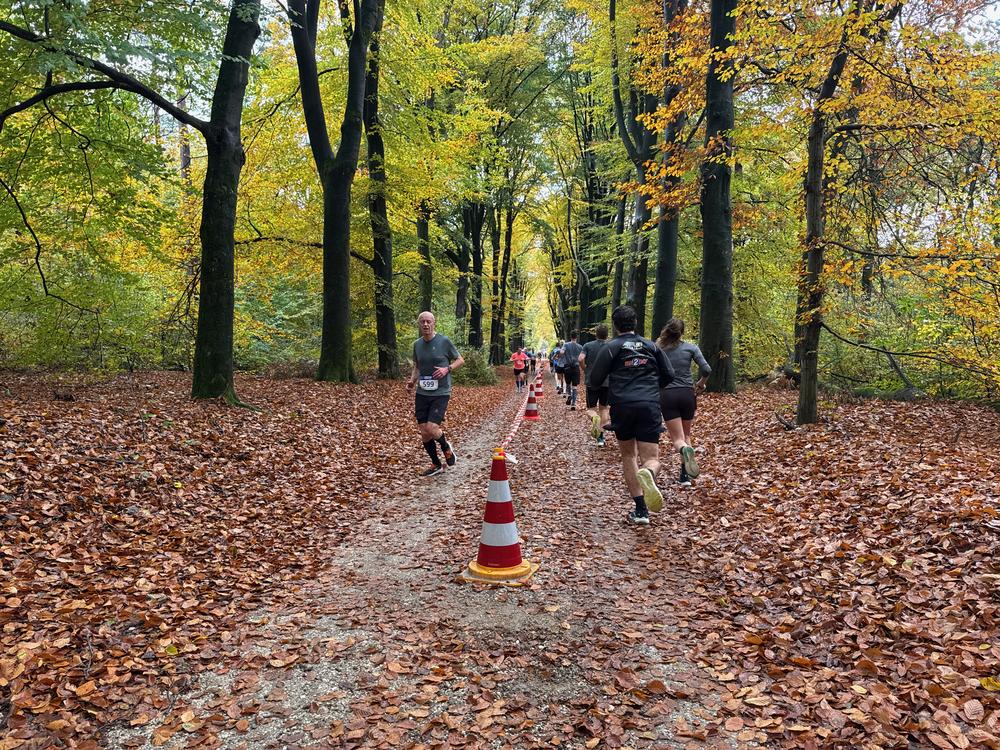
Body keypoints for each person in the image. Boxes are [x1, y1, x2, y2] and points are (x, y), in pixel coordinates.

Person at [587, 306, 675, 525]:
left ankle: (641, 510)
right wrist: (652, 387)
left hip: (623, 405)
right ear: (635, 323)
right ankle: (649, 473)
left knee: (628, 456)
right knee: (652, 459)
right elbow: (669, 375)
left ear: (615, 325)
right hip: (649, 405)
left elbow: (595, 380)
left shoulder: (611, 348)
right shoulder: (651, 346)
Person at [406, 311, 465, 477]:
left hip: (441, 391)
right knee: (424, 431)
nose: (425, 324)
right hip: (422, 392)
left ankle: (446, 447)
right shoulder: (417, 344)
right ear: (419, 324)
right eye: (422, 322)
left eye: (428, 322)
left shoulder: (444, 341)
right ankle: (436, 464)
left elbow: (460, 360)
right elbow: (417, 366)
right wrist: (412, 382)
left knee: (432, 428)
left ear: (434, 323)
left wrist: (447, 369)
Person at [656, 318, 710, 486]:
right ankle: (684, 476)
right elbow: (707, 369)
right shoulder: (691, 348)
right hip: (688, 394)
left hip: (667, 395)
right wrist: (700, 383)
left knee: (678, 439)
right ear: (682, 332)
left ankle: (684, 451)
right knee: (686, 435)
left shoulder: (658, 348)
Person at [580, 323, 611, 446]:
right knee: (604, 408)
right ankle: (601, 438)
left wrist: (585, 369)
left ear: (596, 334)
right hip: (607, 381)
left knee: (591, 409)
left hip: (592, 381)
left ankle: (594, 419)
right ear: (606, 334)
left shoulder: (588, 345)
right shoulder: (611, 346)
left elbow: (580, 358)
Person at [561, 332, 584, 409]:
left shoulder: (566, 345)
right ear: (576, 337)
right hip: (576, 368)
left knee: (567, 383)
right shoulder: (580, 347)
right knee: (575, 386)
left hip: (567, 367)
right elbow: (582, 358)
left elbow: (562, 352)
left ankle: (569, 395)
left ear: (570, 337)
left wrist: (562, 354)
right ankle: (573, 404)